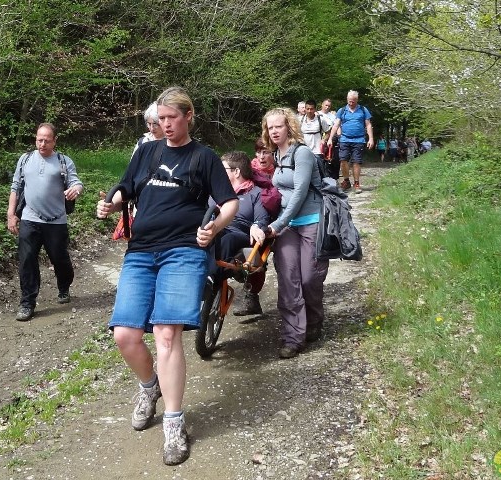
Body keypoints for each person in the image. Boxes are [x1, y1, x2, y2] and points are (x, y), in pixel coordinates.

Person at [96, 86, 238, 466]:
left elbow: (230, 203)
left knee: (165, 333)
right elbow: (126, 187)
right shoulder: (146, 151)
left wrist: (215, 228)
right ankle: (149, 387)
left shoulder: (203, 157)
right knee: (125, 335)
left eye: (172, 118)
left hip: (183, 252)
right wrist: (111, 203)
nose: (165, 125)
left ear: (188, 116)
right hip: (141, 252)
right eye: (161, 119)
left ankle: (174, 424)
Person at [253, 108, 329, 359]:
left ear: (289, 127)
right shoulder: (276, 155)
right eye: (270, 127)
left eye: (279, 126)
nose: (274, 131)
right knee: (288, 279)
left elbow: (299, 192)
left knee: (309, 278)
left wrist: (278, 223)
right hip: (286, 226)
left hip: (310, 221)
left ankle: (314, 319)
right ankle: (293, 337)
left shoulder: (303, 153)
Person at [7, 123, 84, 322]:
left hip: (56, 221)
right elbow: (15, 187)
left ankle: (64, 285)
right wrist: (10, 214)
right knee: (27, 260)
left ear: (54, 140)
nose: (42, 144)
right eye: (39, 139)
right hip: (29, 218)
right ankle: (27, 303)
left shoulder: (63, 161)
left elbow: (76, 182)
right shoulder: (25, 160)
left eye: (47, 140)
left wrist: (76, 189)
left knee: (59, 259)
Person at [213, 151, 270, 317]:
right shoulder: (216, 191)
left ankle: (214, 277)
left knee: (227, 237)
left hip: (239, 233)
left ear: (236, 171)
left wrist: (256, 226)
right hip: (213, 228)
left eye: (223, 169)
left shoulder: (255, 193)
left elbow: (261, 218)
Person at [327, 90, 374, 194]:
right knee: (343, 160)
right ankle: (346, 181)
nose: (351, 103)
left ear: (357, 100)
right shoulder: (342, 110)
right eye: (349, 101)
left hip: (359, 139)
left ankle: (356, 183)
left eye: (353, 101)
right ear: (347, 100)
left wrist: (371, 138)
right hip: (344, 139)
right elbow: (336, 125)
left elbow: (368, 125)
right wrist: (330, 138)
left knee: (356, 162)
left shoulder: (363, 110)